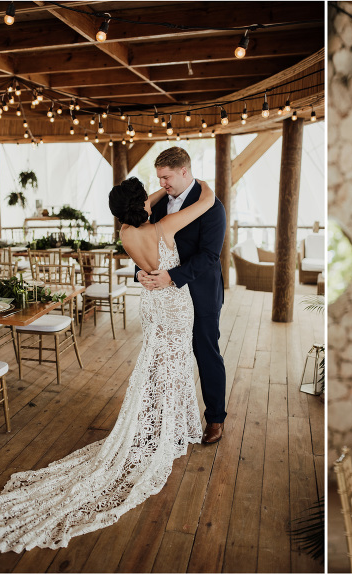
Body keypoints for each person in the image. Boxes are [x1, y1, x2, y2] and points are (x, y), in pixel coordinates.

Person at [0, 176, 216, 553]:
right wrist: (192, 180)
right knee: (174, 365)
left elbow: (139, 204)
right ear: (143, 204)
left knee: (155, 365)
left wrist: (157, 191)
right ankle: (168, 429)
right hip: (176, 306)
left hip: (151, 308)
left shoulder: (127, 232)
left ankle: (161, 425)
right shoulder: (163, 227)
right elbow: (206, 202)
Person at [136, 147, 227, 444]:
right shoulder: (157, 206)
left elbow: (210, 256)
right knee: (164, 356)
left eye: (166, 177)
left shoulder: (213, 207)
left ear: (184, 171)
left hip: (200, 292)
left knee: (206, 354)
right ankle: (163, 416)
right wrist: (138, 272)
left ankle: (215, 418)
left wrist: (172, 277)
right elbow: (142, 240)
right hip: (165, 300)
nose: (162, 183)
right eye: (159, 177)